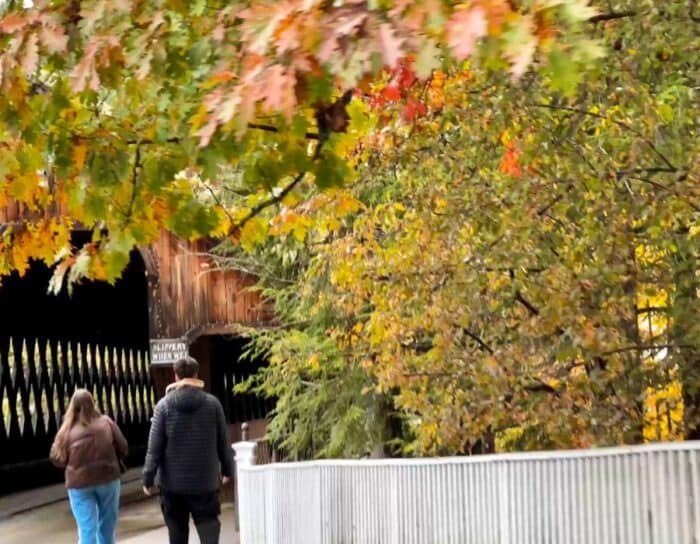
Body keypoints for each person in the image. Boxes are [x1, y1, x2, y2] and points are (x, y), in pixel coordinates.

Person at [143, 356, 233, 544]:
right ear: (196, 374)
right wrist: (227, 470)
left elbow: (154, 448)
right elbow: (223, 441)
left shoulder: (163, 406)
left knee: (177, 534)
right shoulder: (213, 404)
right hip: (205, 484)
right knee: (209, 531)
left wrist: (148, 478)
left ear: (175, 376)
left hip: (173, 487)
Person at [49, 389, 128, 544]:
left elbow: (56, 458)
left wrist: (72, 466)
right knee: (107, 525)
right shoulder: (106, 422)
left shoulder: (66, 430)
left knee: (86, 528)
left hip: (79, 485)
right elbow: (123, 447)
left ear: (73, 407)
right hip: (108, 478)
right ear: (93, 403)